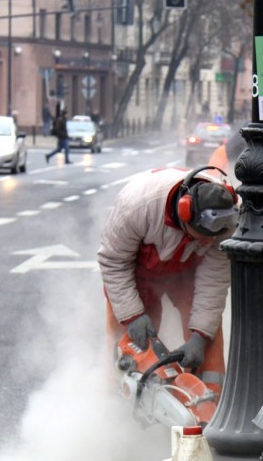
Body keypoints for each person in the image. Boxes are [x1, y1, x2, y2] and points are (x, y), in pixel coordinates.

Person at [98, 165, 239, 403]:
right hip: (136, 271)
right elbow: (113, 261)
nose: (210, 241)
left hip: (188, 273)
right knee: (128, 342)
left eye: (214, 237)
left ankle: (211, 409)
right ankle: (119, 406)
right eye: (202, 236)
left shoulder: (227, 218)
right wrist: (132, 315)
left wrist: (200, 336)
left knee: (208, 336)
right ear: (184, 213)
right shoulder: (138, 206)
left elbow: (214, 280)